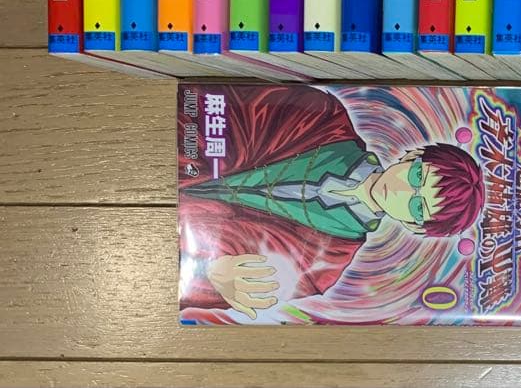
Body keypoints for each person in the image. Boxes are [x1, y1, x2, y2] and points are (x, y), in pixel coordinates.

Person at [177, 85, 484, 319]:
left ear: (415, 227)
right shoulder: (324, 116)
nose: (402, 192)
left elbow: (218, 280)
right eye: (416, 177)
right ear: (413, 155)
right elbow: (226, 109)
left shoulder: (325, 265)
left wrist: (211, 272)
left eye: (417, 207)